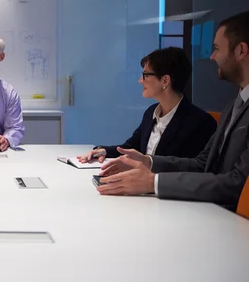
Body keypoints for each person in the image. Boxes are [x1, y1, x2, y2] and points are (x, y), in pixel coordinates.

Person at [97, 11, 249, 211]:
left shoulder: (200, 120)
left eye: (217, 49)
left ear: (240, 51)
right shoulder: (233, 106)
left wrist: (154, 182)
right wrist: (148, 161)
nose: (212, 57)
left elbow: (237, 183)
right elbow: (202, 164)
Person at [78, 47, 216, 163]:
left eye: (145, 75)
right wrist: (103, 151)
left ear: (165, 80)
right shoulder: (151, 112)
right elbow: (132, 147)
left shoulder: (199, 122)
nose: (140, 81)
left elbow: (191, 170)